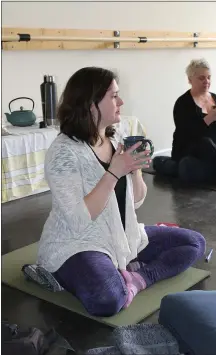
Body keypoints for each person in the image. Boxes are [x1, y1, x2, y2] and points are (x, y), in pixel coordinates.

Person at [37, 67, 206, 317]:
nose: (121, 101)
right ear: (91, 103)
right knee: (107, 299)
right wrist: (114, 172)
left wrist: (134, 169)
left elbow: (136, 201)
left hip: (119, 234)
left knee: (194, 243)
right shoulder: (64, 152)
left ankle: (138, 278)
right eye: (114, 96)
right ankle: (61, 273)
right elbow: (78, 218)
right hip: (76, 243)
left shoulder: (114, 140)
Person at [153, 59, 216, 184]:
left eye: (208, 77)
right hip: (190, 150)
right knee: (204, 143)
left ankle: (212, 172)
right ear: (190, 80)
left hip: (214, 153)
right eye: (201, 78)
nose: (206, 81)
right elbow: (188, 135)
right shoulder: (183, 103)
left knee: (190, 168)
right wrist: (209, 118)